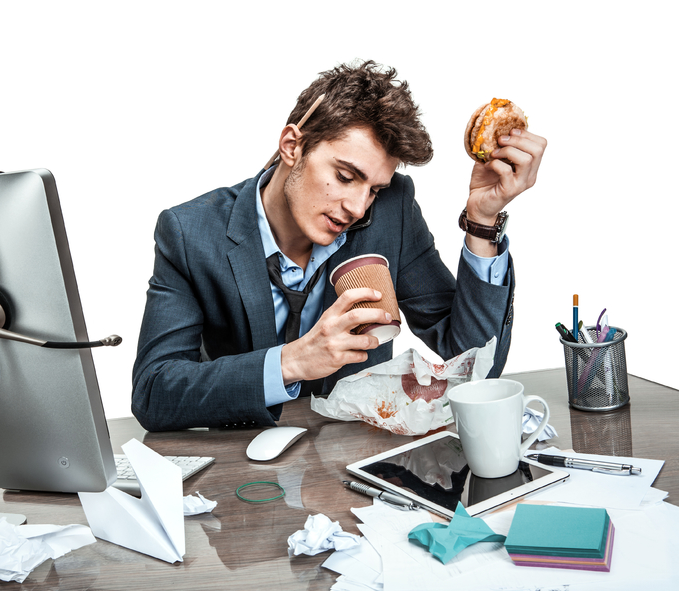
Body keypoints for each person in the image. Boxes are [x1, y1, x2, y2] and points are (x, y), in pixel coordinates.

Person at [132, 60, 547, 432]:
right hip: (244, 472)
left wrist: (483, 220)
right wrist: (291, 362)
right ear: (292, 146)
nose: (357, 206)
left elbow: (475, 362)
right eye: (346, 177)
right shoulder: (189, 232)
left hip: (359, 466)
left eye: (374, 188)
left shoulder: (391, 210)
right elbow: (154, 391)